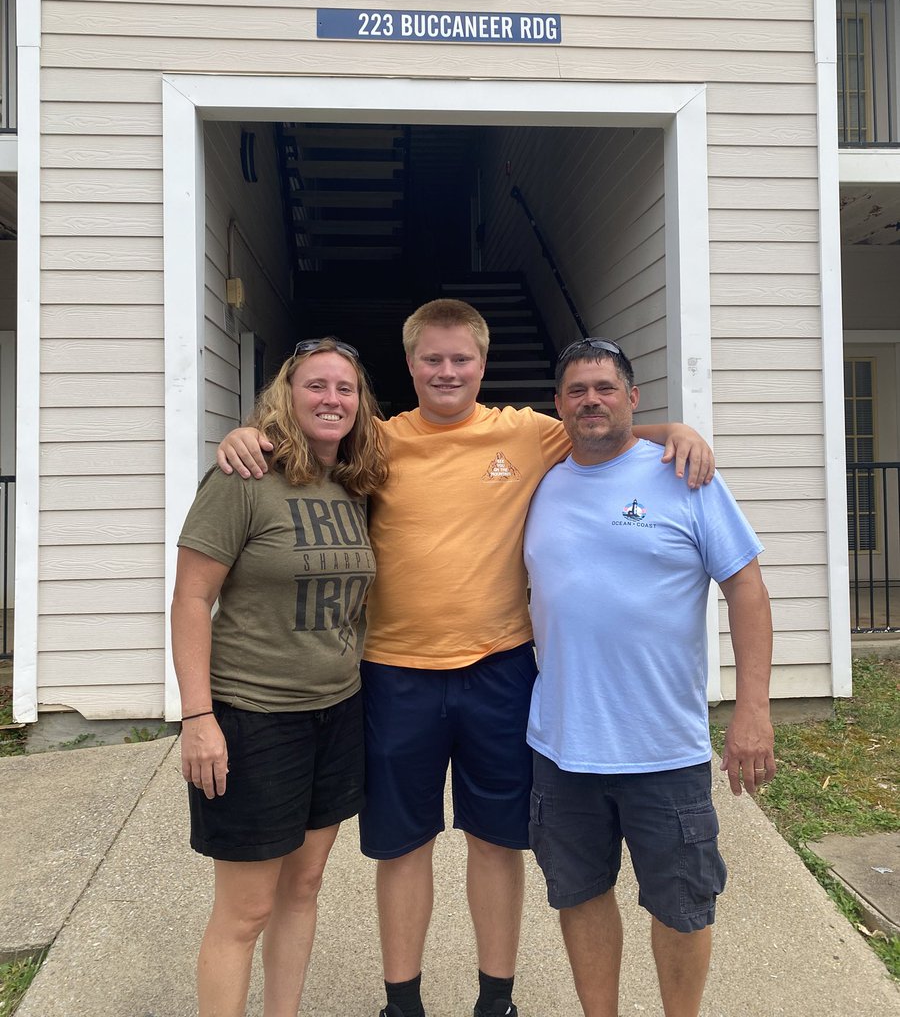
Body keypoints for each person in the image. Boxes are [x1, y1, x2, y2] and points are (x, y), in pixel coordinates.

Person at [216, 300, 715, 1017]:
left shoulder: (525, 433)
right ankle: (403, 1001)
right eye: (432, 360)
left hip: (500, 670)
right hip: (393, 673)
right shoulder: (376, 443)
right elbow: (303, 443)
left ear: (482, 364)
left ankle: (495, 998)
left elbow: (604, 428)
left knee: (495, 840)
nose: (447, 372)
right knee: (403, 845)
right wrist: (244, 436)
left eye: (461, 360)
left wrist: (680, 432)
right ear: (410, 364)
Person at [524, 337, 776, 1017]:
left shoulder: (685, 477)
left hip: (664, 746)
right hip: (562, 745)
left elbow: (747, 589)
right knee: (578, 894)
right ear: (559, 406)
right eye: (577, 391)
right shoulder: (538, 479)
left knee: (683, 902)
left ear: (634, 398)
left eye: (606, 388)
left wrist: (753, 708)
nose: (592, 401)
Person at [171, 337, 389, 1017]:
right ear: (286, 398)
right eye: (316, 386)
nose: (332, 399)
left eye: (345, 389)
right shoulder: (242, 479)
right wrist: (198, 718)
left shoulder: (355, 483)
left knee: (304, 887)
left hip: (337, 711)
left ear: (360, 404)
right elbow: (189, 600)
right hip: (252, 717)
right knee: (246, 910)